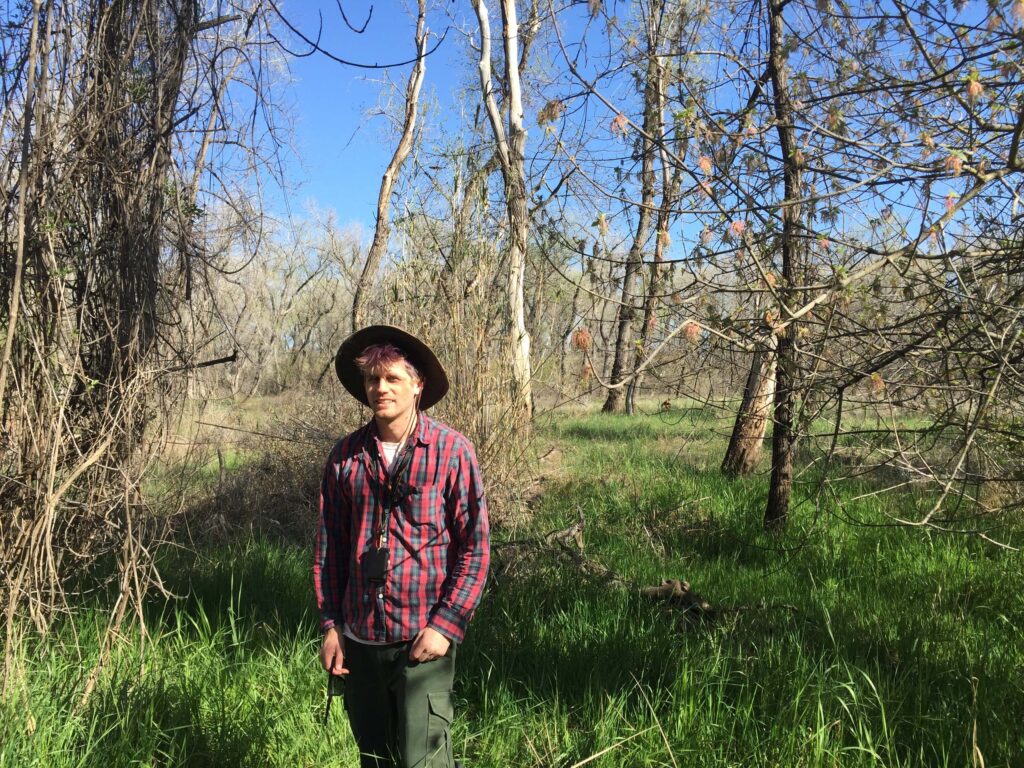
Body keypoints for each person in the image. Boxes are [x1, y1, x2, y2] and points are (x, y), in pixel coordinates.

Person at [314, 325, 489, 768]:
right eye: (373, 379)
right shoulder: (344, 457)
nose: (380, 388)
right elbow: (329, 550)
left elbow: (475, 547)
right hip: (360, 640)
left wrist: (445, 625)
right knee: (375, 758)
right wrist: (331, 626)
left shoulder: (452, 451)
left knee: (424, 760)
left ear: (418, 384)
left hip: (422, 639)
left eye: (392, 378)